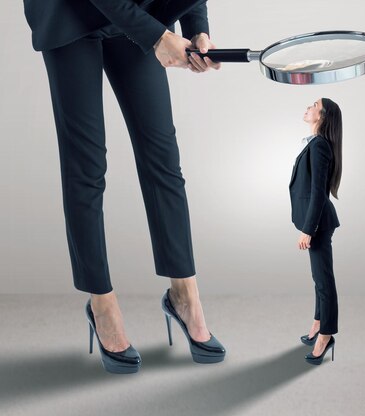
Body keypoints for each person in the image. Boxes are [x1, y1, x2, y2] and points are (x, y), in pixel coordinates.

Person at [22, 0, 225, 373]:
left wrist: (198, 28)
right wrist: (156, 36)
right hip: (67, 15)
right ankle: (102, 304)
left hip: (135, 12)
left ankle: (185, 296)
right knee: (87, 166)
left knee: (163, 158)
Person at [290, 98, 342, 365]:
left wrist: (308, 230)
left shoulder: (320, 146)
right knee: (318, 278)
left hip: (319, 223)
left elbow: (318, 193)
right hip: (316, 222)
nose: (307, 107)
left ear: (322, 116)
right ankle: (317, 324)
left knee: (324, 281)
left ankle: (326, 335)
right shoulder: (314, 143)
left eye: (313, 105)